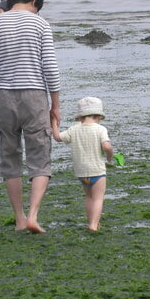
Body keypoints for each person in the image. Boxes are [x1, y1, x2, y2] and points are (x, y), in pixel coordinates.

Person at [0, 0, 61, 234]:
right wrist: (55, 104)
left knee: (9, 157)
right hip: (34, 94)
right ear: (35, 2)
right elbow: (50, 68)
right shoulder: (40, 24)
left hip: (3, 96)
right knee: (39, 157)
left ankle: (19, 218)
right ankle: (34, 215)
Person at [52, 96, 116, 232]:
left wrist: (53, 122)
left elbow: (57, 137)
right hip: (97, 171)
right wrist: (110, 155)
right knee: (98, 199)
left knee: (88, 197)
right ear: (99, 116)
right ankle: (94, 224)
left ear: (80, 117)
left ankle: (91, 222)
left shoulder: (74, 129)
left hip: (81, 172)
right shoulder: (100, 129)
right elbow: (107, 147)